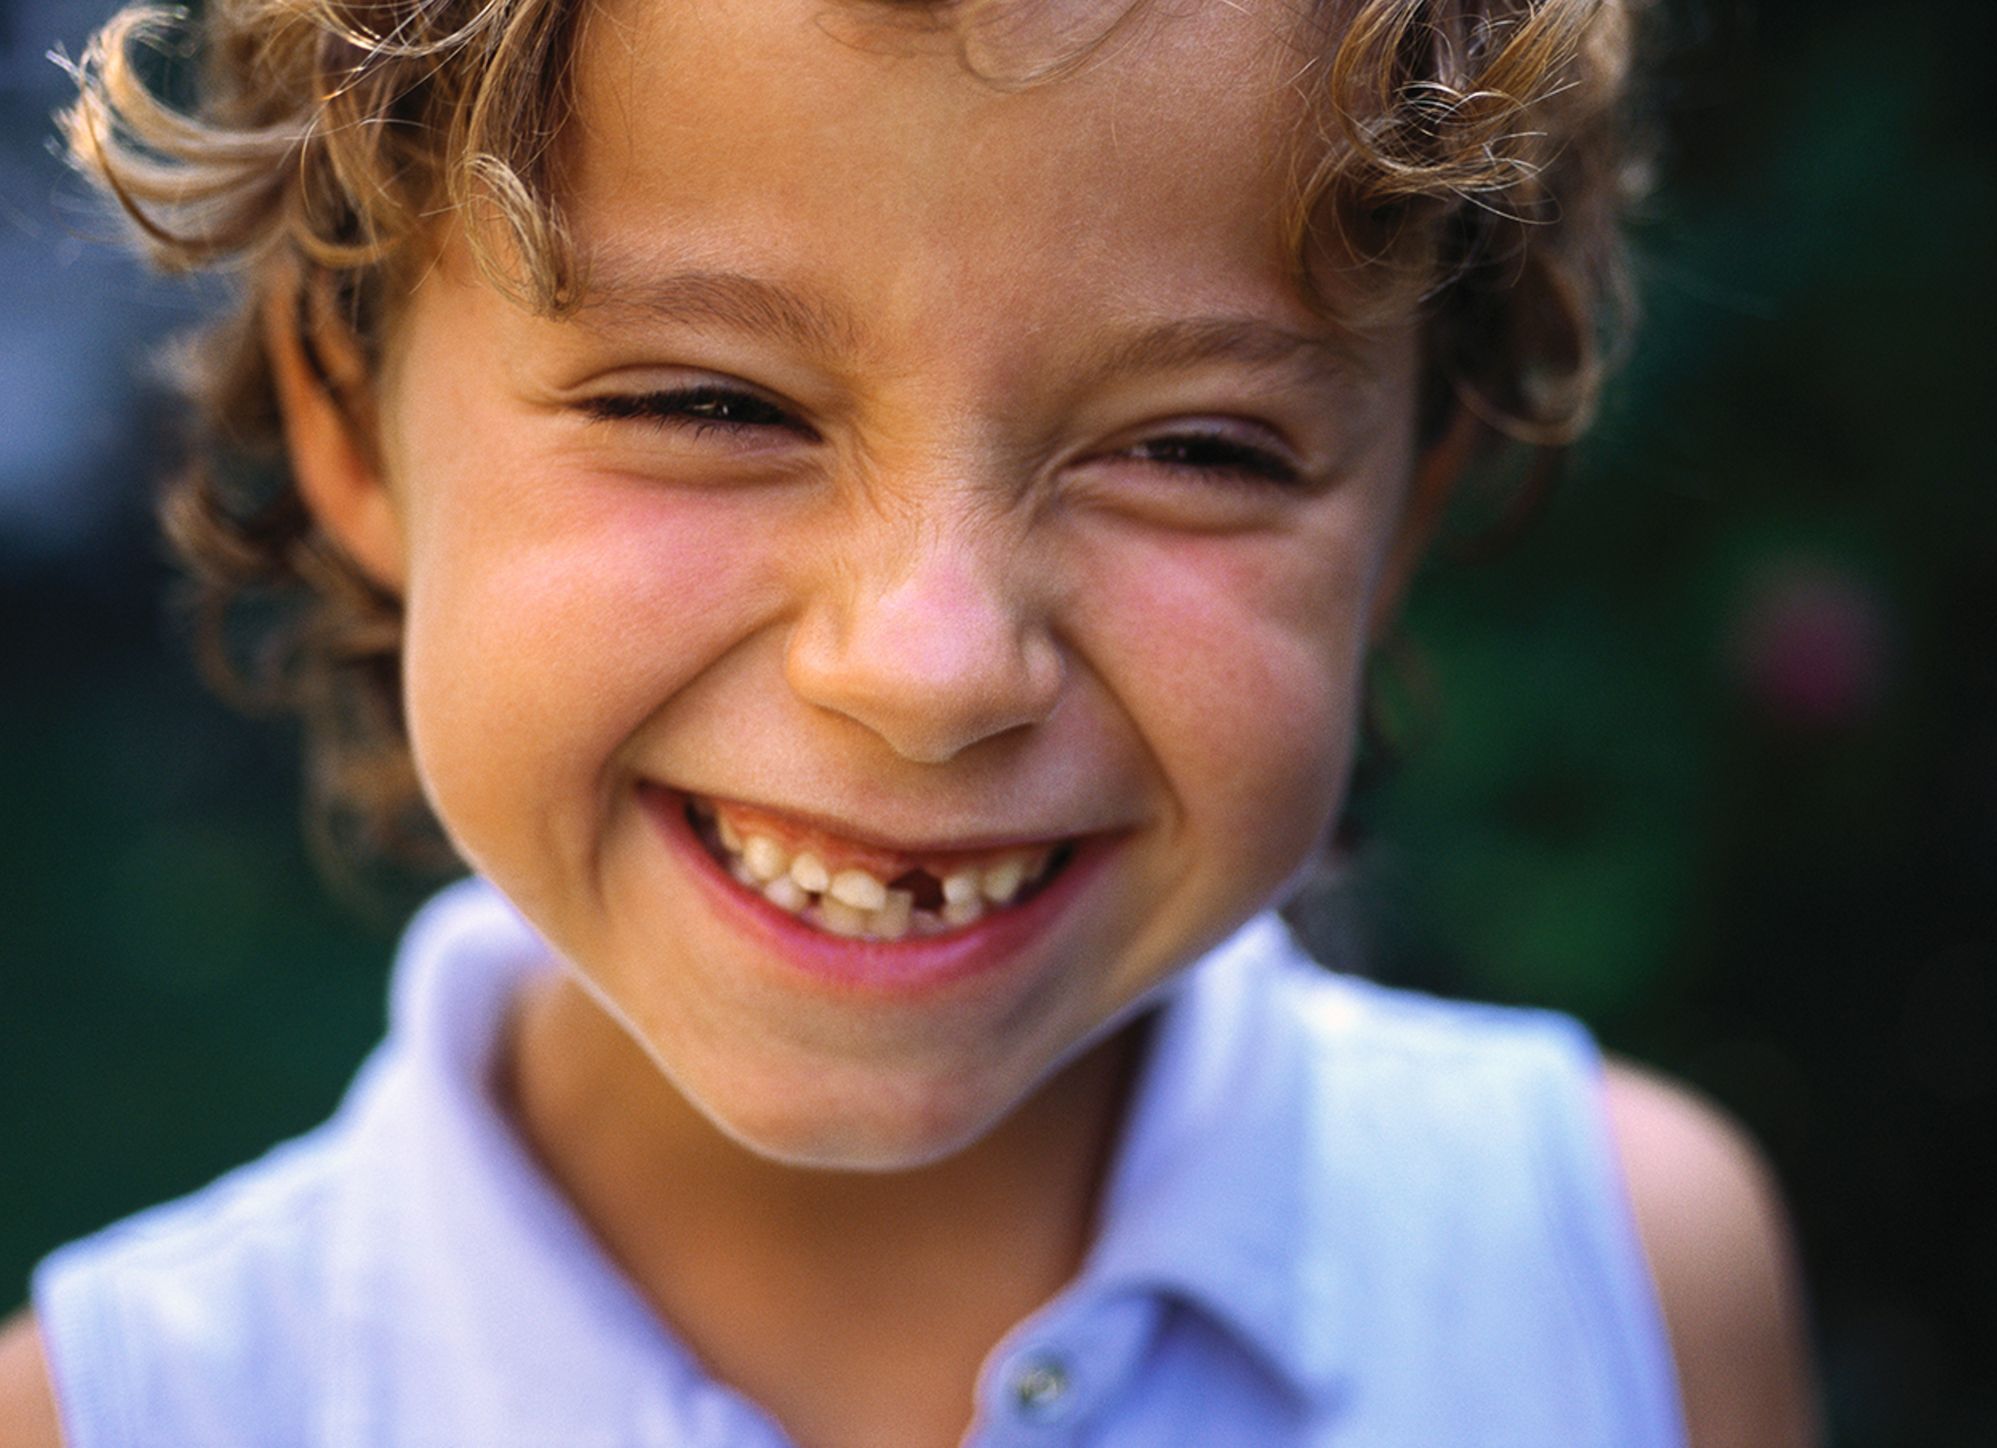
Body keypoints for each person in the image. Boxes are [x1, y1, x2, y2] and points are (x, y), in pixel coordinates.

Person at [0, 0, 1819, 1443]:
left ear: (1402, 513)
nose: (932, 667)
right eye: (710, 405)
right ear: (351, 422)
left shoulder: (1623, 1290)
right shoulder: (120, 1415)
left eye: (1195, 448)